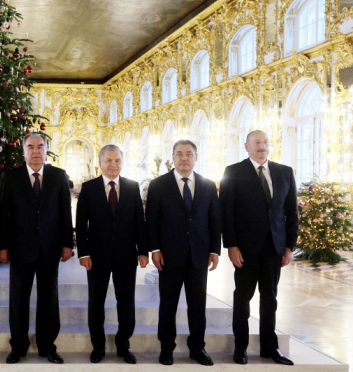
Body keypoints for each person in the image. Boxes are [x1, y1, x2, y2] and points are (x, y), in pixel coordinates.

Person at [221, 130, 299, 365]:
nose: (261, 146)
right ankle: (240, 348)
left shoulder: (285, 172)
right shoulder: (233, 172)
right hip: (245, 250)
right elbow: (226, 213)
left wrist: (289, 246)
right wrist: (231, 245)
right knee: (242, 299)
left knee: (270, 300)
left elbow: (291, 213)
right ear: (246, 146)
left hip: (274, 249)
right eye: (256, 142)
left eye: (265, 142)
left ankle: (269, 348)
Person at [0, 132, 74, 365]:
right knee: (18, 299)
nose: (36, 151)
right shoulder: (11, 176)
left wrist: (67, 244)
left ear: (46, 150)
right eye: (31, 147)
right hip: (20, 249)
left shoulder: (58, 176)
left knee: (49, 300)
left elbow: (65, 212)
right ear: (24, 151)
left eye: (40, 147)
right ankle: (18, 347)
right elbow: (2, 214)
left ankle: (47, 346)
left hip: (50, 248)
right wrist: (2, 246)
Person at [145, 140, 221, 366]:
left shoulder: (208, 186)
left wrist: (214, 250)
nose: (184, 158)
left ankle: (197, 348)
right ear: (173, 157)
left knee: (198, 306)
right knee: (167, 305)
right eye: (179, 154)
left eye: (189, 154)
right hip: (169, 256)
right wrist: (155, 249)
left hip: (199, 255)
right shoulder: (159, 185)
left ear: (196, 157)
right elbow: (152, 221)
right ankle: (166, 348)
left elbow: (214, 221)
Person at [76, 144, 149, 364]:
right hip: (96, 256)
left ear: (122, 163)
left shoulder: (132, 187)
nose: (113, 165)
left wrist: (143, 251)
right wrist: (84, 253)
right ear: (100, 163)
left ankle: (123, 345)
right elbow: (81, 224)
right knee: (96, 302)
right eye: (108, 160)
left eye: (117, 161)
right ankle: (97, 347)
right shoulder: (88, 188)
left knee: (126, 302)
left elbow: (139, 222)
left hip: (126, 256)